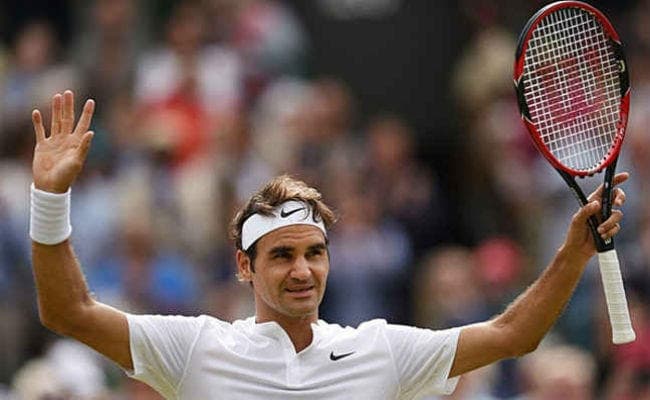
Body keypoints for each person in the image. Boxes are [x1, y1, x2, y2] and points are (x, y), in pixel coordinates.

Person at [29, 91, 628, 399]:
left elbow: (513, 335)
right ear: (244, 266)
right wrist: (49, 198)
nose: (302, 270)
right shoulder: (195, 347)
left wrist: (573, 251)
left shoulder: (381, 349)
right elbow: (67, 311)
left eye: (314, 253)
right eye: (282, 255)